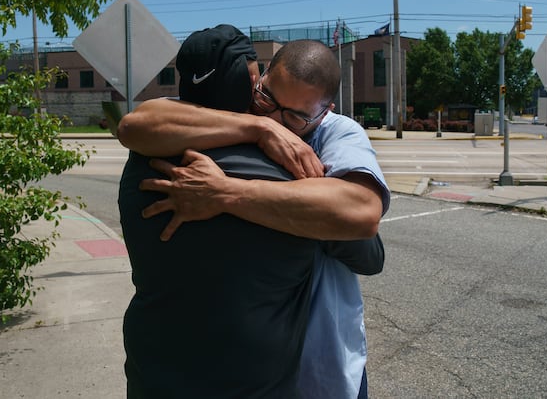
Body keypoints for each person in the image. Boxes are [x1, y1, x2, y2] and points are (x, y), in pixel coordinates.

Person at [119, 38, 391, 398]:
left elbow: (360, 213)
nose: (272, 117)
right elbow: (134, 125)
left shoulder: (338, 132)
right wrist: (260, 129)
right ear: (259, 79)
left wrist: (224, 193)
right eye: (266, 99)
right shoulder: (238, 117)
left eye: (293, 117)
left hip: (322, 351)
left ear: (324, 112)